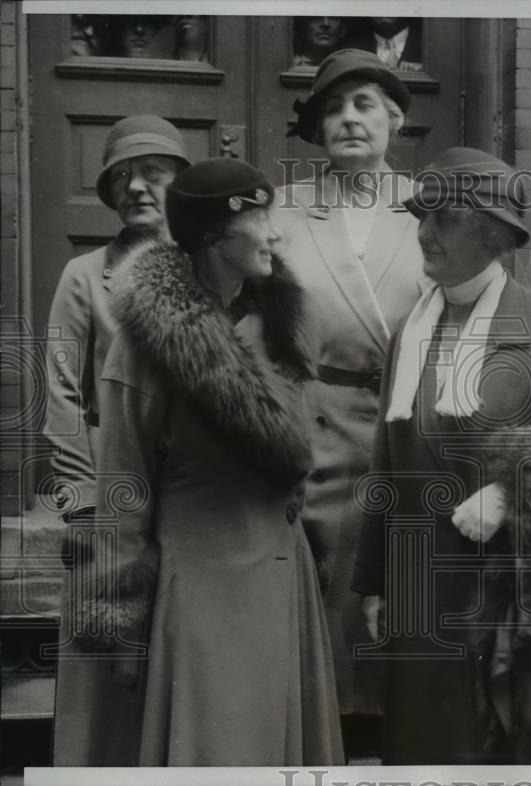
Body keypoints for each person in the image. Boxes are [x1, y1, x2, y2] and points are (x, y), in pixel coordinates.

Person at [54, 158, 344, 766]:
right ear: (214, 235)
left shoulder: (283, 325)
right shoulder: (147, 344)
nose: (275, 232)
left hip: (282, 579)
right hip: (202, 588)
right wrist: (121, 617)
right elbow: (124, 487)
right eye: (260, 218)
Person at [351, 147, 531, 764]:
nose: (423, 233)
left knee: (501, 744)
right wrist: (373, 582)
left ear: (492, 231)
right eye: (420, 217)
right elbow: (385, 464)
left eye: (442, 218)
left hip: (508, 584)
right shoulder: (407, 332)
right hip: (417, 586)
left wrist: (512, 491)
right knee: (424, 745)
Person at [279, 48, 426, 756]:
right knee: (322, 612)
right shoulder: (282, 214)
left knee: (397, 601)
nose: (348, 119)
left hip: (406, 434)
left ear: (395, 117)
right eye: (333, 108)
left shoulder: (432, 211)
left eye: (364, 104)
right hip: (313, 433)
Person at [44, 115, 190, 525]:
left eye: (153, 173)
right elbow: (60, 392)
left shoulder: (207, 268)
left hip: (196, 489)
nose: (135, 186)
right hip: (115, 482)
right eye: (122, 175)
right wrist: (83, 502)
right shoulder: (84, 275)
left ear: (179, 184)